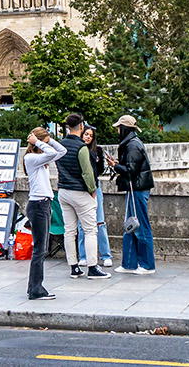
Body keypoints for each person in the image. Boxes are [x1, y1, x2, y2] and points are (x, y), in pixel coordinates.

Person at [55, 113, 107, 280]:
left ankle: (74, 267)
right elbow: (87, 171)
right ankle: (92, 267)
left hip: (63, 190)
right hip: (80, 192)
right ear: (82, 126)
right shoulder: (81, 148)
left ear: (67, 127)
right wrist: (92, 189)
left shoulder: (61, 146)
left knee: (69, 231)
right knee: (90, 229)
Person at [24, 126, 66, 300]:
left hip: (43, 204)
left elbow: (62, 151)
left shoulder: (38, 159)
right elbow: (50, 154)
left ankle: (33, 287)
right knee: (40, 249)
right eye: (44, 141)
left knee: (40, 248)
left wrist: (48, 140)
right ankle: (36, 289)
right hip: (38, 205)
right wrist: (40, 141)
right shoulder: (31, 158)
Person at [113, 114, 156, 274]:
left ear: (124, 129)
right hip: (135, 188)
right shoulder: (133, 143)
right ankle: (129, 263)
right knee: (131, 225)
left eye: (119, 127)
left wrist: (115, 166)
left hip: (136, 188)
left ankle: (147, 264)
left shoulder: (132, 146)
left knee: (140, 226)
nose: (117, 130)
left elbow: (131, 171)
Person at [73, 125, 114, 268]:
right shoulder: (77, 149)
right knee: (81, 225)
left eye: (91, 135)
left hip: (95, 188)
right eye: (86, 134)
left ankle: (105, 255)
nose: (88, 137)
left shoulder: (98, 151)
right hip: (80, 189)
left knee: (100, 222)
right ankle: (83, 255)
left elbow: (100, 170)